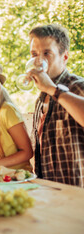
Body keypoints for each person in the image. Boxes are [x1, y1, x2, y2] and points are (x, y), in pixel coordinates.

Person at [26, 24, 84, 187]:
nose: (38, 60)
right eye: (34, 54)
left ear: (64, 57)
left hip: (77, 191)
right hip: (49, 189)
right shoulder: (41, 97)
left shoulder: (78, 86)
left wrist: (53, 89)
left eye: (47, 53)